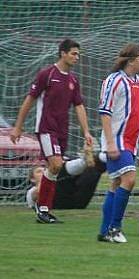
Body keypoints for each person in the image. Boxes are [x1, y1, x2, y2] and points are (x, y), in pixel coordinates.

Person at [10, 38, 93, 224]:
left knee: (53, 169)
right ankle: (43, 207)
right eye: (73, 53)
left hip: (62, 130)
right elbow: (30, 100)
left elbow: (79, 106)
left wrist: (86, 132)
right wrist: (18, 126)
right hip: (46, 128)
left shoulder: (72, 80)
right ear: (63, 53)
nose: (76, 57)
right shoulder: (46, 74)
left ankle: (43, 207)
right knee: (55, 165)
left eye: (78, 54)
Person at [97, 43, 139, 243]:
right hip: (116, 140)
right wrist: (110, 143)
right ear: (131, 61)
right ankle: (115, 228)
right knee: (130, 179)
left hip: (131, 143)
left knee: (116, 184)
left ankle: (104, 231)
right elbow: (105, 112)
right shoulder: (114, 81)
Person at [26, 151, 106, 210]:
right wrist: (44, 180)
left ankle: (102, 157)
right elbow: (36, 195)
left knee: (93, 171)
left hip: (78, 199)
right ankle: (85, 160)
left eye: (44, 170)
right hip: (58, 204)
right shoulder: (31, 191)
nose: (43, 172)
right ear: (32, 179)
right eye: (39, 172)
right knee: (60, 171)